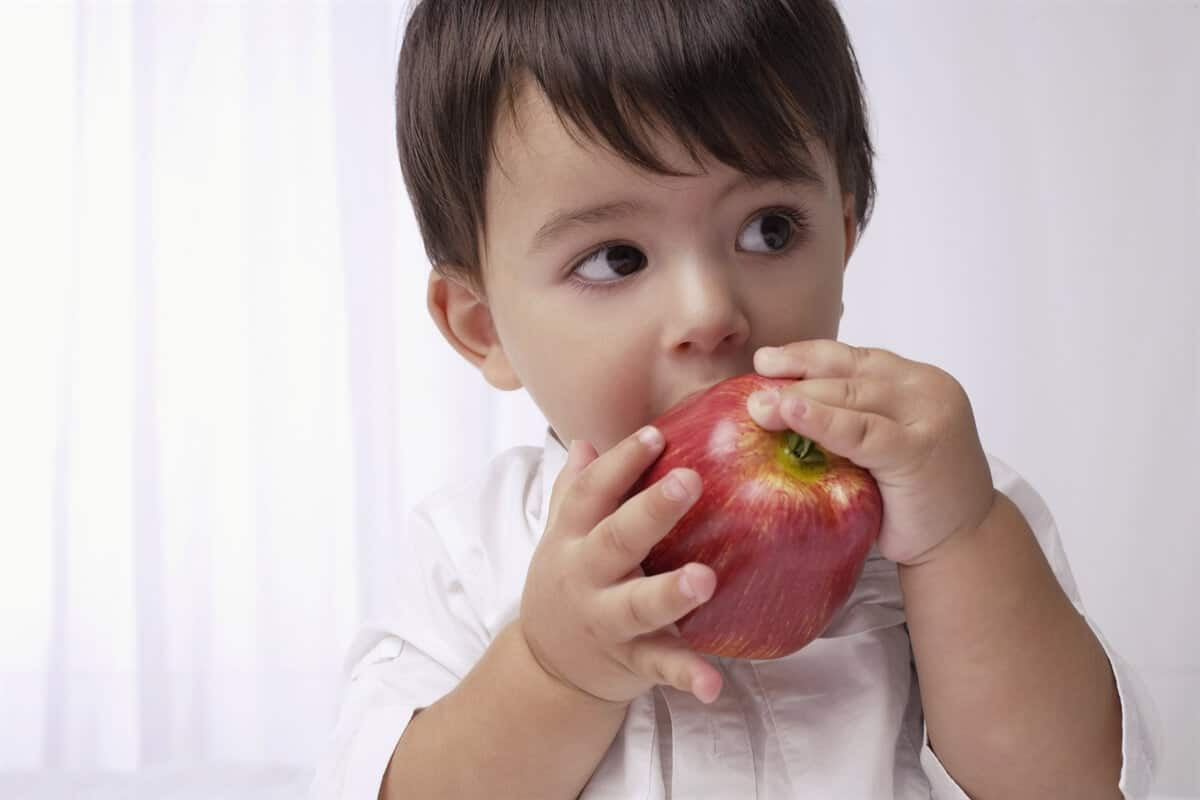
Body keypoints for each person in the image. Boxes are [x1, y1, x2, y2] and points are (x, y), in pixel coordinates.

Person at [312, 1, 1159, 797]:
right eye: (615, 257)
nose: (710, 312)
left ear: (845, 237)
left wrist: (961, 540)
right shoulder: (478, 547)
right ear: (482, 325)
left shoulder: (944, 507)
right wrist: (549, 671)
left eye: (770, 229)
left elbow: (1072, 781)